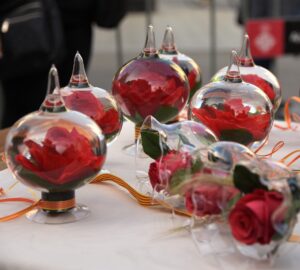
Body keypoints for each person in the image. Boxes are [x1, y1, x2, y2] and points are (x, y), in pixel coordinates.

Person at [0, 0, 126, 128]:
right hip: (27, 27)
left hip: (72, 30)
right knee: (24, 114)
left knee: (69, 110)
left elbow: (109, 16)